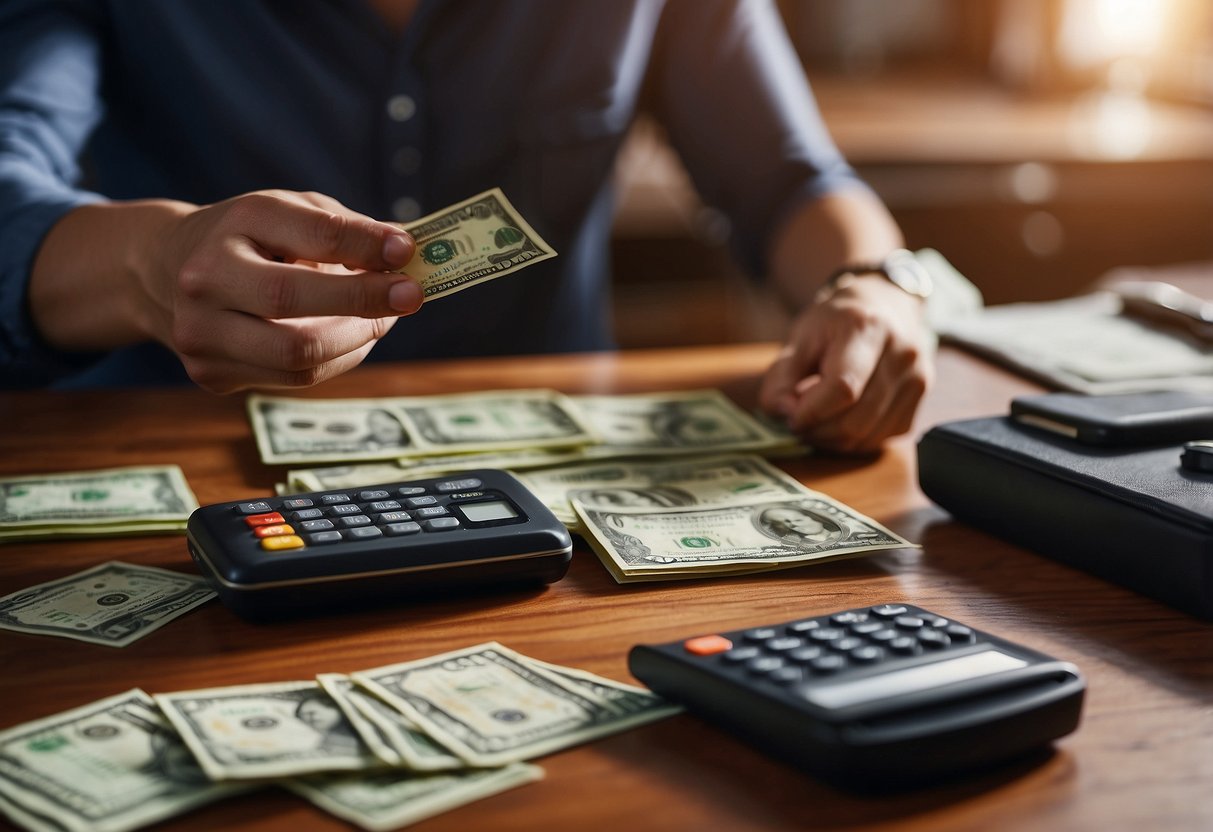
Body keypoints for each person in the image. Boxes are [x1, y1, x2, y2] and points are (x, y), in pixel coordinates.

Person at [0, 0, 933, 453]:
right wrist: (143, 263)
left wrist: (873, 286)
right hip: (186, 462)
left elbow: (790, 180)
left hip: (554, 488)